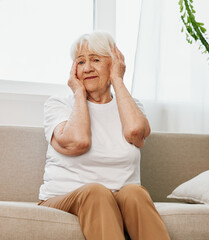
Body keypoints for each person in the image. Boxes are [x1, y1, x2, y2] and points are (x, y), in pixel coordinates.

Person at [38, 31, 170, 240]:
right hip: (64, 198)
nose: (87, 68)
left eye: (96, 60)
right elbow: (78, 141)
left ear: (114, 63)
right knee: (97, 192)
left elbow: (135, 132)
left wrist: (117, 79)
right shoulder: (59, 104)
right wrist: (79, 94)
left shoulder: (131, 106)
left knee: (134, 192)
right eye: (80, 62)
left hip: (119, 197)